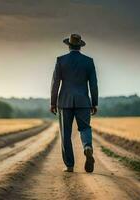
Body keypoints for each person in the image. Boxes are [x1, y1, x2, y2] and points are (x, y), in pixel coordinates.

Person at [50, 34, 98, 173]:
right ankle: (87, 147)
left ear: (69, 45)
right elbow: (93, 84)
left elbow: (55, 83)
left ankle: (69, 165)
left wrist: (53, 103)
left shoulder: (61, 60)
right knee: (85, 128)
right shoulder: (89, 61)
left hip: (64, 102)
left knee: (66, 134)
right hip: (83, 101)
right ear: (80, 46)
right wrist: (94, 103)